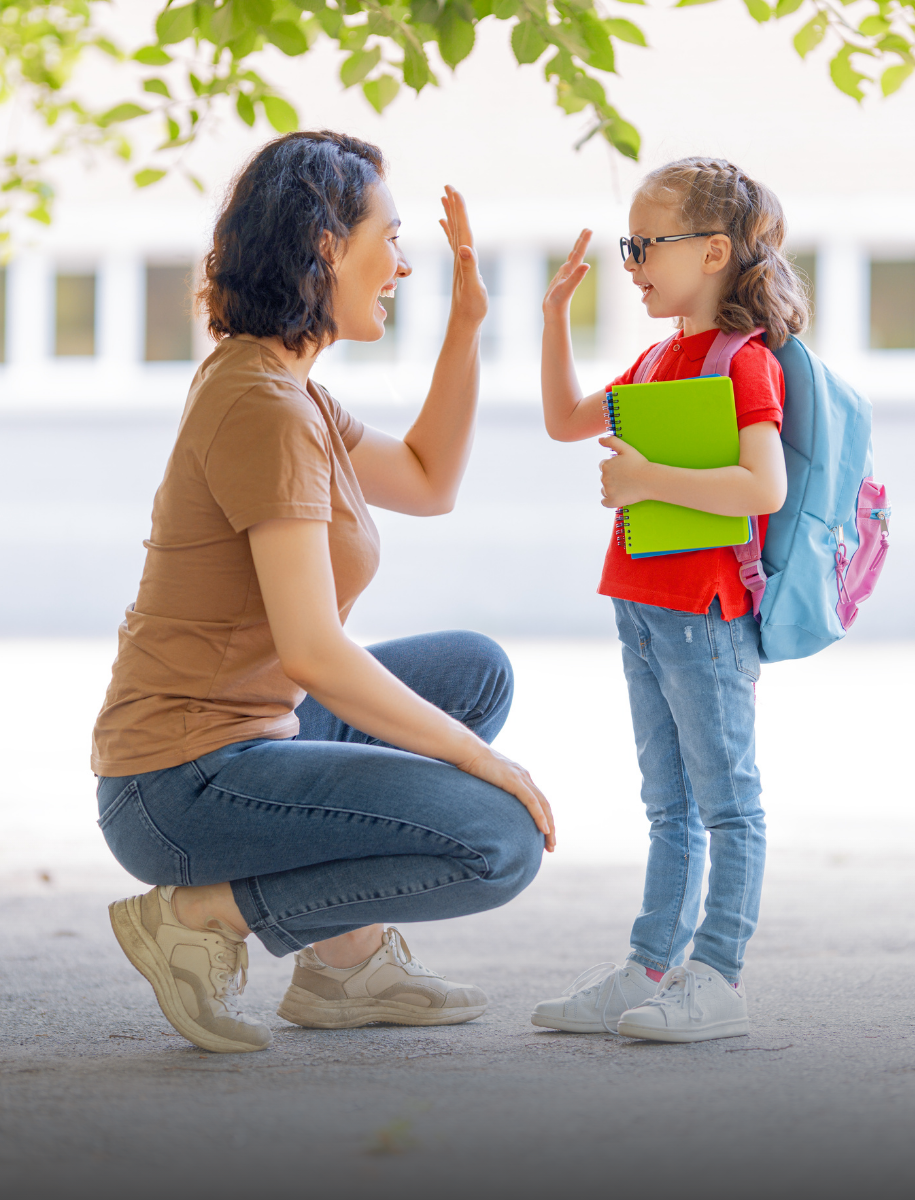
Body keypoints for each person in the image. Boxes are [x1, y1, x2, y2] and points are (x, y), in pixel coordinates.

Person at [91, 131, 554, 1055]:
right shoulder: (264, 407)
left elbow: (428, 479)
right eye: (389, 236)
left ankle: (345, 968)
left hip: (257, 738)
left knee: (475, 672)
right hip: (178, 785)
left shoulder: (287, 388)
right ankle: (205, 913)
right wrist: (482, 763)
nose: (404, 263)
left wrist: (467, 329)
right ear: (326, 245)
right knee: (496, 842)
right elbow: (312, 650)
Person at [531, 157, 807, 1042]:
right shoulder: (656, 358)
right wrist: (551, 319)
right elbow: (565, 420)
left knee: (727, 800)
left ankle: (716, 977)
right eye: (631, 244)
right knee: (667, 804)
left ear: (716, 251)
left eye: (647, 244)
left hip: (706, 611)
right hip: (643, 604)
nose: (633, 261)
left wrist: (649, 475)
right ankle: (652, 966)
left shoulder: (743, 362)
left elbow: (760, 488)